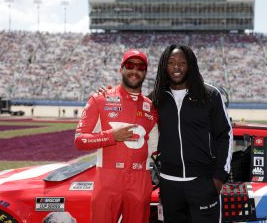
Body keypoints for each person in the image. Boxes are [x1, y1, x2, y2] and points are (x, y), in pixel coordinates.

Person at [150, 44, 233, 223]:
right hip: (169, 185)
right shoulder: (155, 98)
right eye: (171, 62)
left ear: (191, 65)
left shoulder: (210, 95)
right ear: (164, 66)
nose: (177, 67)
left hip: (202, 183)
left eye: (182, 62)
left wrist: (219, 178)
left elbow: (224, 135)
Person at [74, 49, 158, 223]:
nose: (135, 70)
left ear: (145, 72)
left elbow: (155, 150)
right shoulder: (100, 99)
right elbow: (80, 140)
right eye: (130, 65)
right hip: (108, 178)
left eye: (140, 67)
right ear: (121, 69)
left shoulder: (151, 107)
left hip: (140, 179)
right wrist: (111, 136)